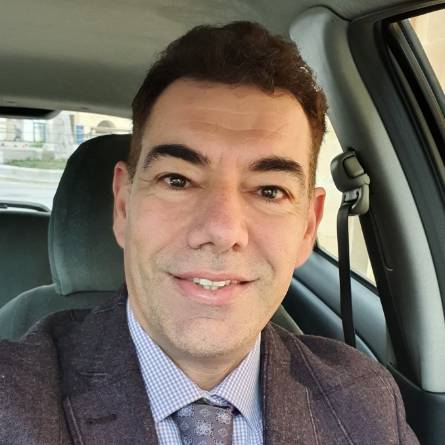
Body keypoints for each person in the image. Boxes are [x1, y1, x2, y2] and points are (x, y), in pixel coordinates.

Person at [0, 21, 419, 445]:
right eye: (178, 180)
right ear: (124, 206)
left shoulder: (365, 402)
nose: (221, 230)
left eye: (269, 191)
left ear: (308, 226)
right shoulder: (14, 398)